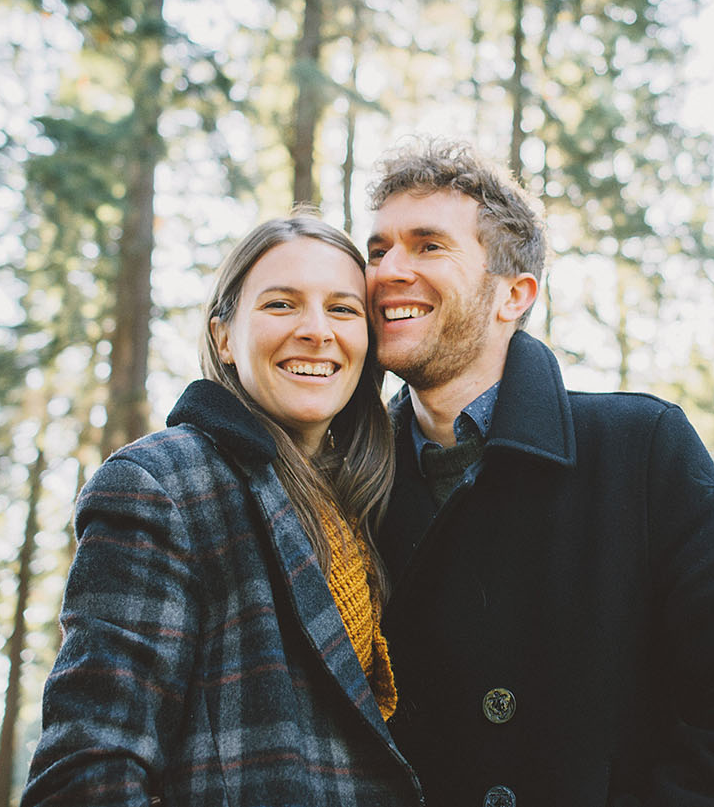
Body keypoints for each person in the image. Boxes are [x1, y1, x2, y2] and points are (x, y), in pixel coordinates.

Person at [363, 139, 714, 807]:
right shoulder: (346, 487)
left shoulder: (640, 450)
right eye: (378, 250)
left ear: (513, 295)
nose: (386, 271)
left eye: (428, 245)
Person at [22, 215, 423, 807]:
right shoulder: (162, 484)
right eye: (282, 305)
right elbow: (87, 773)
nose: (316, 331)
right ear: (224, 338)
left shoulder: (366, 505)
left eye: (343, 310)